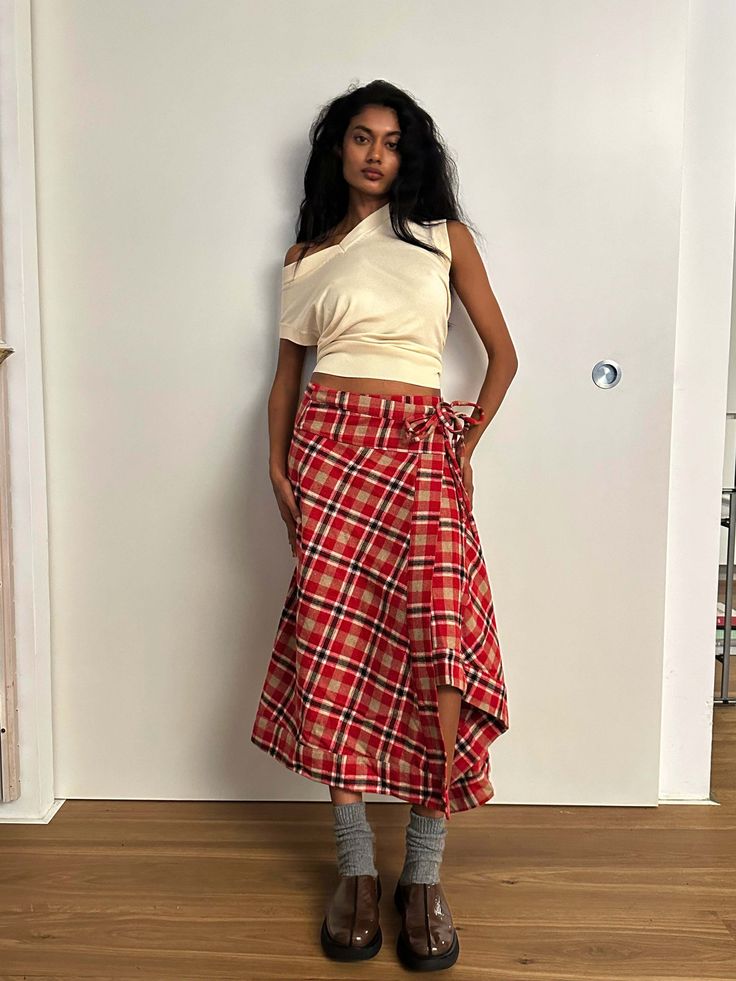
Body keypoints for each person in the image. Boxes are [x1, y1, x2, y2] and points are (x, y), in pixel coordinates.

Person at [250, 79, 517, 972]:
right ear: (338, 150)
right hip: (329, 451)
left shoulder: (443, 236)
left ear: (412, 155)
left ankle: (426, 876)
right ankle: (358, 869)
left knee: (441, 647)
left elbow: (502, 355)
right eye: (360, 138)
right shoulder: (305, 256)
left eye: (392, 141)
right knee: (337, 650)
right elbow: (287, 377)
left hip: (418, 446)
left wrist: (464, 445)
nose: (375, 153)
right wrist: (277, 464)